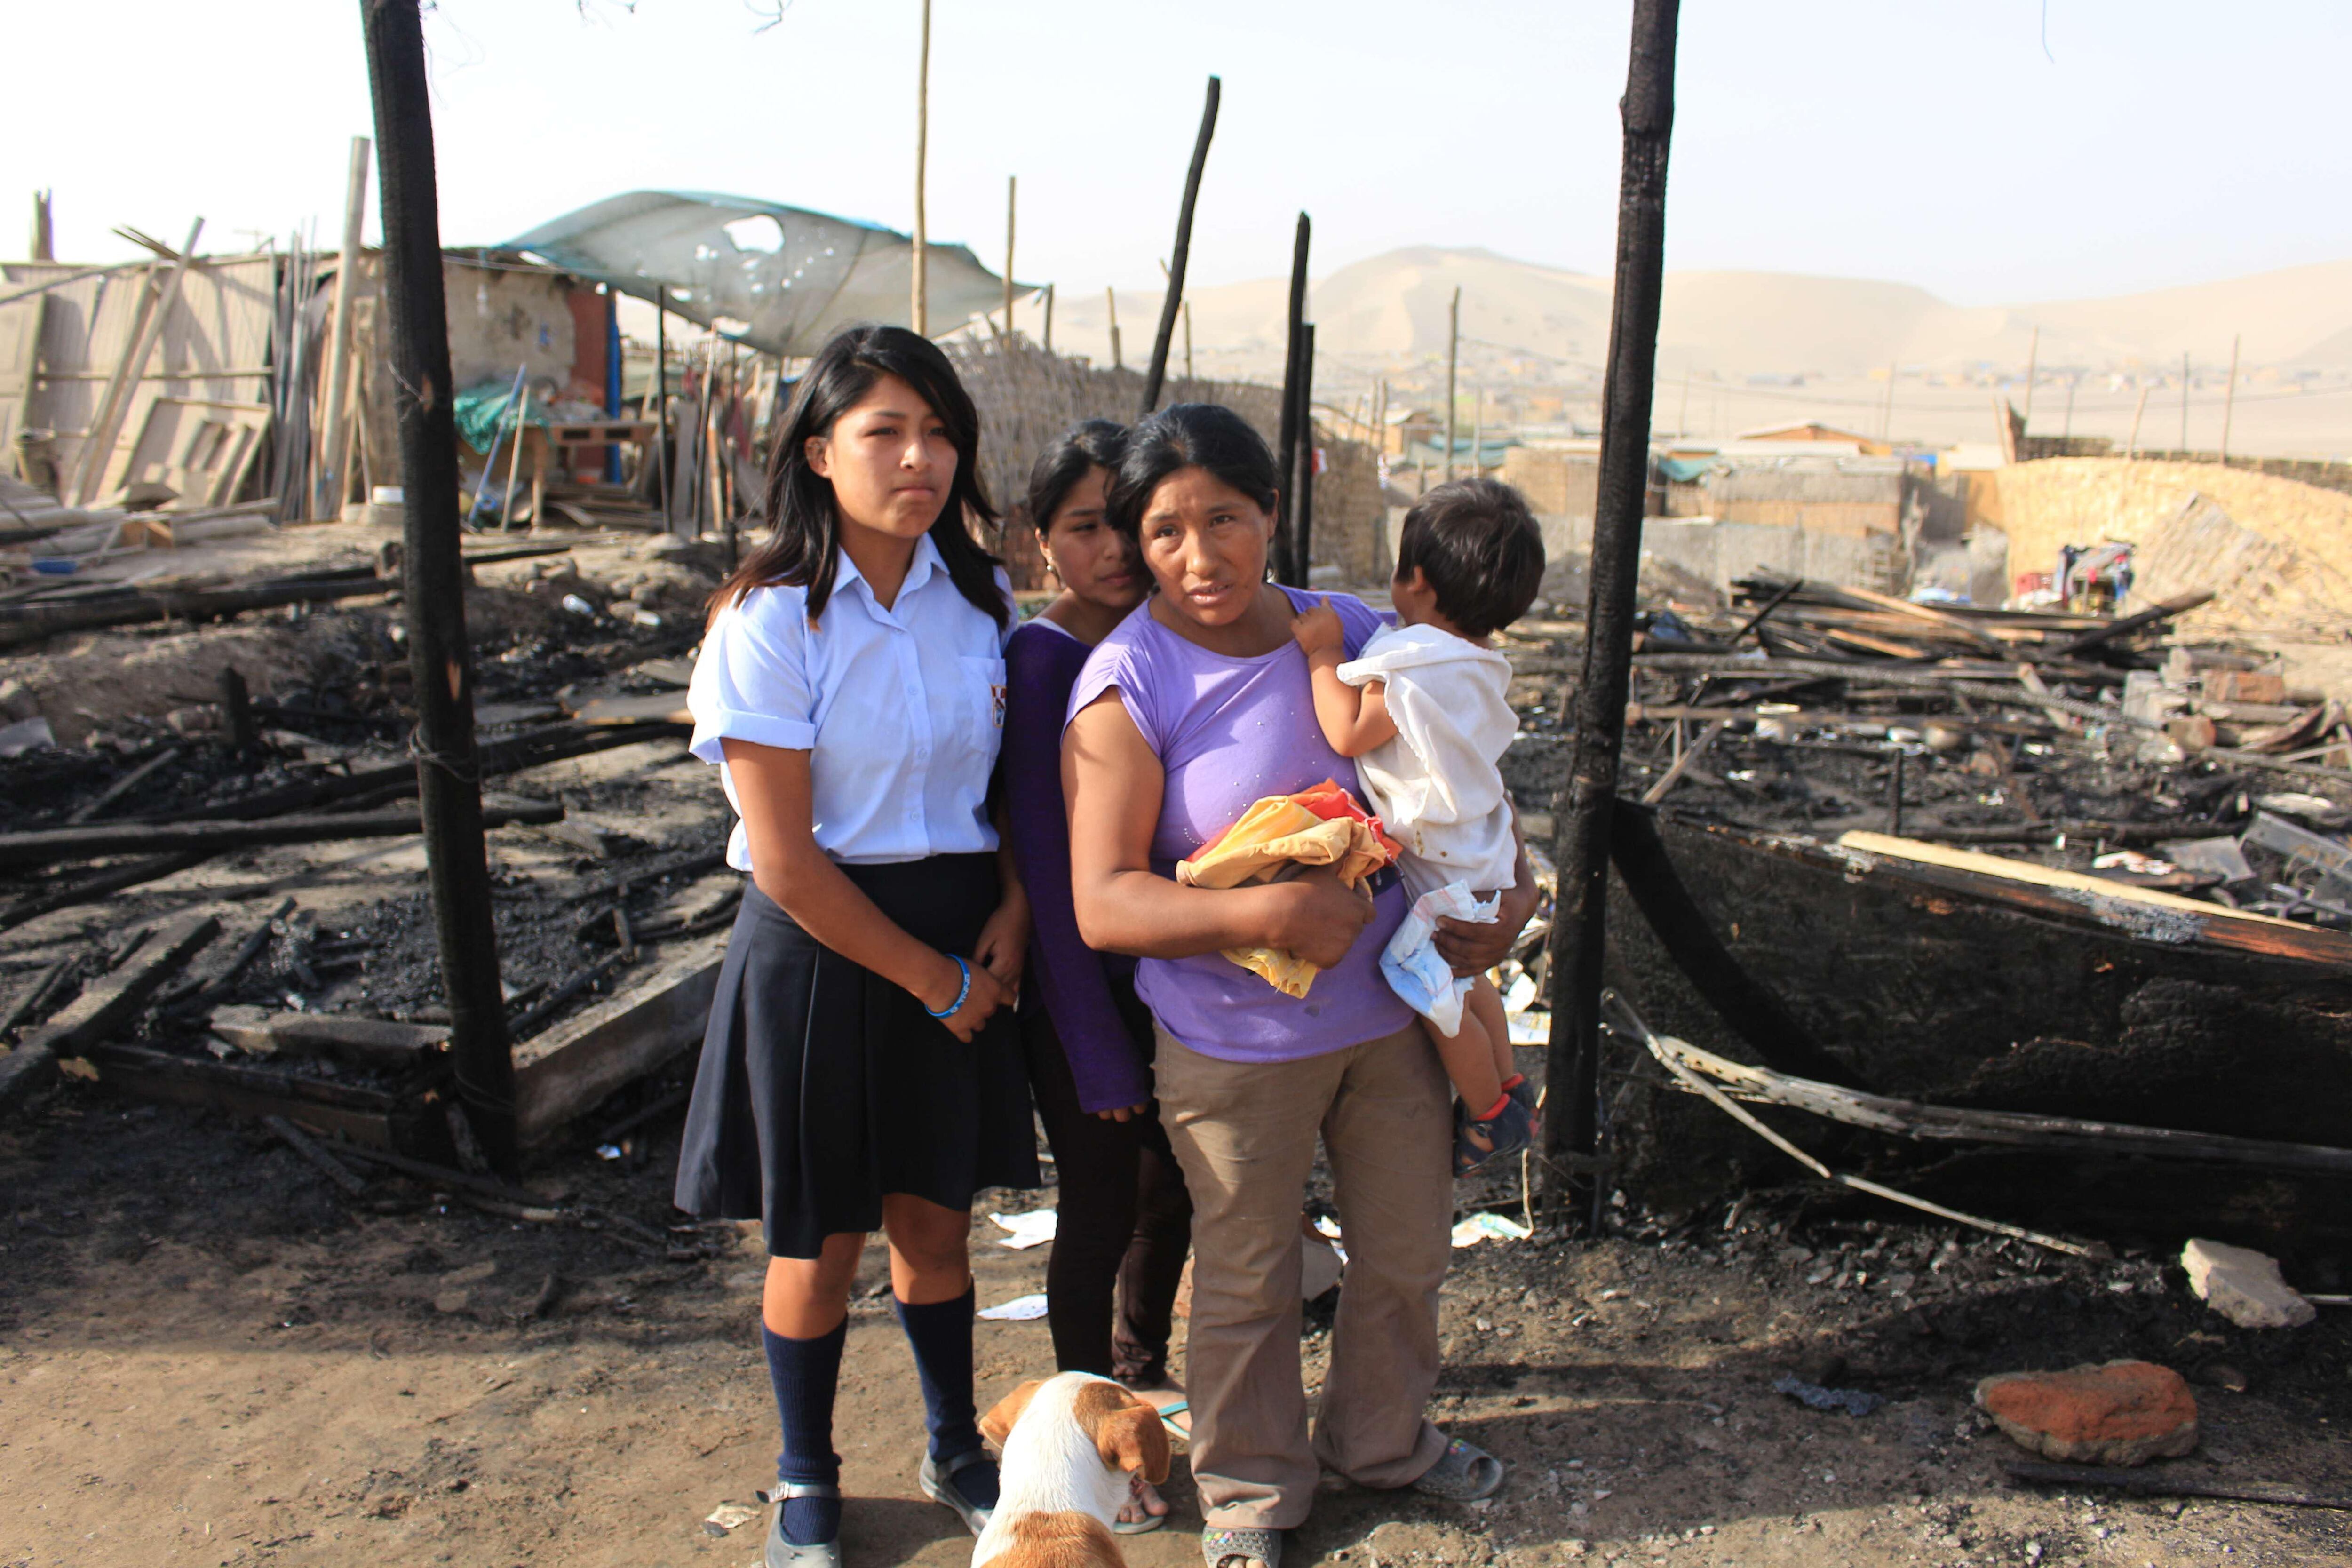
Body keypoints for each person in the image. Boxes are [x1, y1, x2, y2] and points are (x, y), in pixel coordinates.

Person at [1060, 405, 1542, 1568]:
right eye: (1165, 531)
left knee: (1405, 1248)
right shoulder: (1129, 680)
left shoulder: (1361, 631)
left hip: (1388, 1021)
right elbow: (1104, 902)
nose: (1198, 556)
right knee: (1247, 1272)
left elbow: (1468, 775)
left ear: (1270, 512)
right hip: (1233, 1046)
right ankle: (1251, 1491)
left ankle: (1381, 1441)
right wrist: (1261, 910)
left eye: (1223, 519)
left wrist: (1513, 896)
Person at [674, 325, 1039, 1568]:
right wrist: (934, 978)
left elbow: (1006, 790)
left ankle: (953, 1442)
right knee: (817, 1238)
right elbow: (783, 857)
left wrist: (1009, 910)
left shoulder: (980, 602)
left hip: (959, 935)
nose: (919, 457)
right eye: (885, 430)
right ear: (820, 451)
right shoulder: (772, 618)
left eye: (939, 432)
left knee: (936, 1225)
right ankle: (804, 1479)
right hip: (823, 954)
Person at [1001, 418, 1194, 1534]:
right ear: (1043, 545)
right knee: (1101, 1199)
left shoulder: (1169, 637)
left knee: (1168, 1188)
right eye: (1087, 528)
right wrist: (1092, 1039)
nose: (1116, 549)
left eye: (1128, 522)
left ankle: (1135, 1368)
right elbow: (1040, 847)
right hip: (1088, 991)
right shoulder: (1045, 660)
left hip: (1171, 975)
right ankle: (1079, 1420)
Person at [1289, 477, 1547, 1174]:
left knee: (1434, 990)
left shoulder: (1408, 661)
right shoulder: (1481, 665)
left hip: (1442, 871)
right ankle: (1513, 1080)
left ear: (1420, 583)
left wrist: (1320, 651)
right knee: (1471, 979)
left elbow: (1346, 732)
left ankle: (1489, 1113)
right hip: (1482, 854)